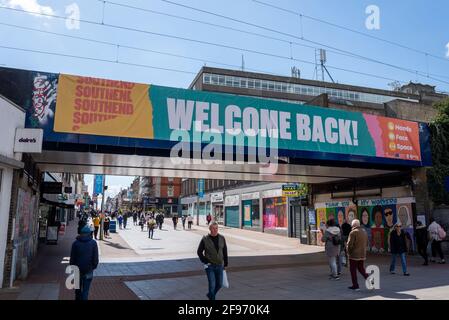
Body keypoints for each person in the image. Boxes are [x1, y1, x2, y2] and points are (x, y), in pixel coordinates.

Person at [197, 222, 228, 300]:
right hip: (209, 266)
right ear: (210, 229)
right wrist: (205, 260)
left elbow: (224, 251)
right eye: (213, 228)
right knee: (212, 285)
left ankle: (210, 295)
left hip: (219, 265)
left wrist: (226, 263)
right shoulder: (205, 239)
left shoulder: (222, 238)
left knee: (220, 284)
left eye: (216, 228)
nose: (215, 230)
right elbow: (199, 251)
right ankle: (212, 298)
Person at [70, 225, 99, 300]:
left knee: (77, 290)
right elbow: (95, 258)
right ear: (89, 234)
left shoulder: (75, 243)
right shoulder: (93, 243)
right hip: (88, 269)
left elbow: (72, 258)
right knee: (86, 290)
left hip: (77, 270)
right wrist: (93, 266)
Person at [347, 219, 370, 291]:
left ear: (353, 225)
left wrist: (348, 252)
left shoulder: (353, 232)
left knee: (353, 270)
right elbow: (367, 243)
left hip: (354, 255)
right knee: (361, 268)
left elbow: (350, 245)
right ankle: (369, 279)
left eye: (352, 225)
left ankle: (355, 286)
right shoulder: (364, 231)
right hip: (362, 254)